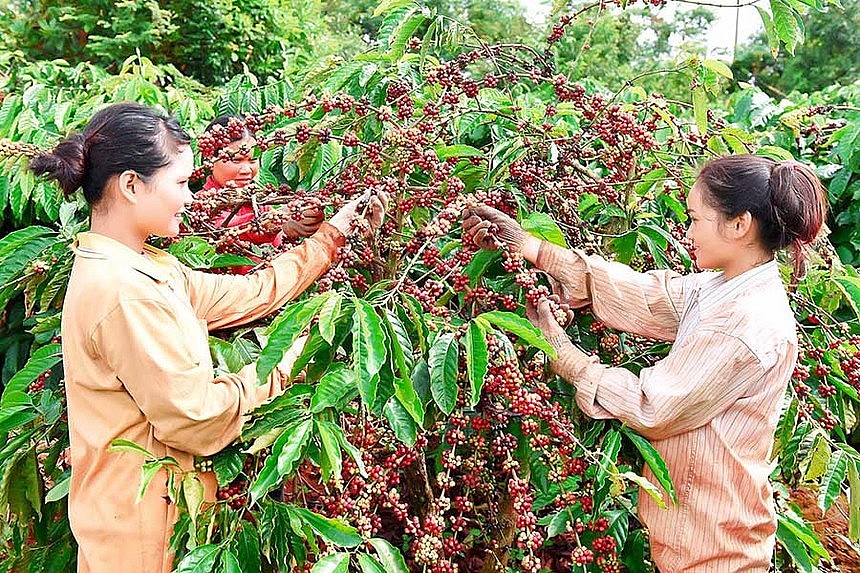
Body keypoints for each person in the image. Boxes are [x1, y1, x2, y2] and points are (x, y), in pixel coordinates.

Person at [29, 102, 386, 573]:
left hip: (159, 516)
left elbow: (247, 293)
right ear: (132, 185)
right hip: (141, 535)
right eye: (180, 183)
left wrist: (331, 238)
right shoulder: (123, 293)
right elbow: (199, 419)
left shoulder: (146, 267)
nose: (192, 198)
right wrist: (289, 361)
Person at [462, 154, 827, 572]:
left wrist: (567, 358)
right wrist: (531, 247)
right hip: (696, 536)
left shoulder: (744, 324)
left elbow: (653, 406)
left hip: (716, 550)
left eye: (694, 218)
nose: (688, 232)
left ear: (739, 224)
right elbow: (648, 295)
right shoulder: (725, 287)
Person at [198, 115, 324, 273]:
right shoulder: (199, 208)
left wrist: (308, 218)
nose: (246, 170)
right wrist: (275, 222)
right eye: (236, 160)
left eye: (253, 160)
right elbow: (222, 229)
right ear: (210, 160)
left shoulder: (260, 205)